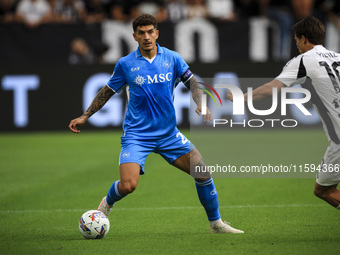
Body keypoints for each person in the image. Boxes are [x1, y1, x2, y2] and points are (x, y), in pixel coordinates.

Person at [69, 13, 244, 234]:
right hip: (137, 135)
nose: (146, 37)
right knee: (128, 186)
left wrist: (201, 104)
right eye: (141, 33)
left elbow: (193, 83)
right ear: (134, 36)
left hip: (168, 134)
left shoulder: (172, 58)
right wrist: (86, 116)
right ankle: (107, 201)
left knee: (202, 172)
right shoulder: (126, 64)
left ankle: (216, 224)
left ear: (157, 33)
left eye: (150, 31)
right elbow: (107, 91)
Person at [227, 16, 340, 210]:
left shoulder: (304, 61)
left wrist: (243, 97)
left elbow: (273, 87)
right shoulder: (338, 57)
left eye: (296, 40)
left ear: (303, 39)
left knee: (324, 190)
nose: (296, 44)